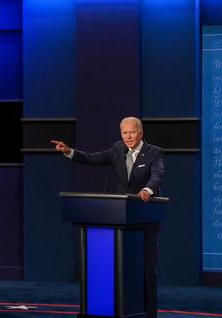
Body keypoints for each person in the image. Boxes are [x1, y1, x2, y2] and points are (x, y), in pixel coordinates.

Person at [51, 116, 164, 318]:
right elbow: (93, 158)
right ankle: (120, 310)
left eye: (132, 132)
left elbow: (158, 175)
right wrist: (69, 152)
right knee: (120, 268)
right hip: (121, 218)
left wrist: (148, 189)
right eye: (124, 133)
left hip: (145, 219)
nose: (128, 137)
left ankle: (149, 314)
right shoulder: (117, 149)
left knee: (146, 268)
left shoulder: (154, 152)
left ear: (141, 133)